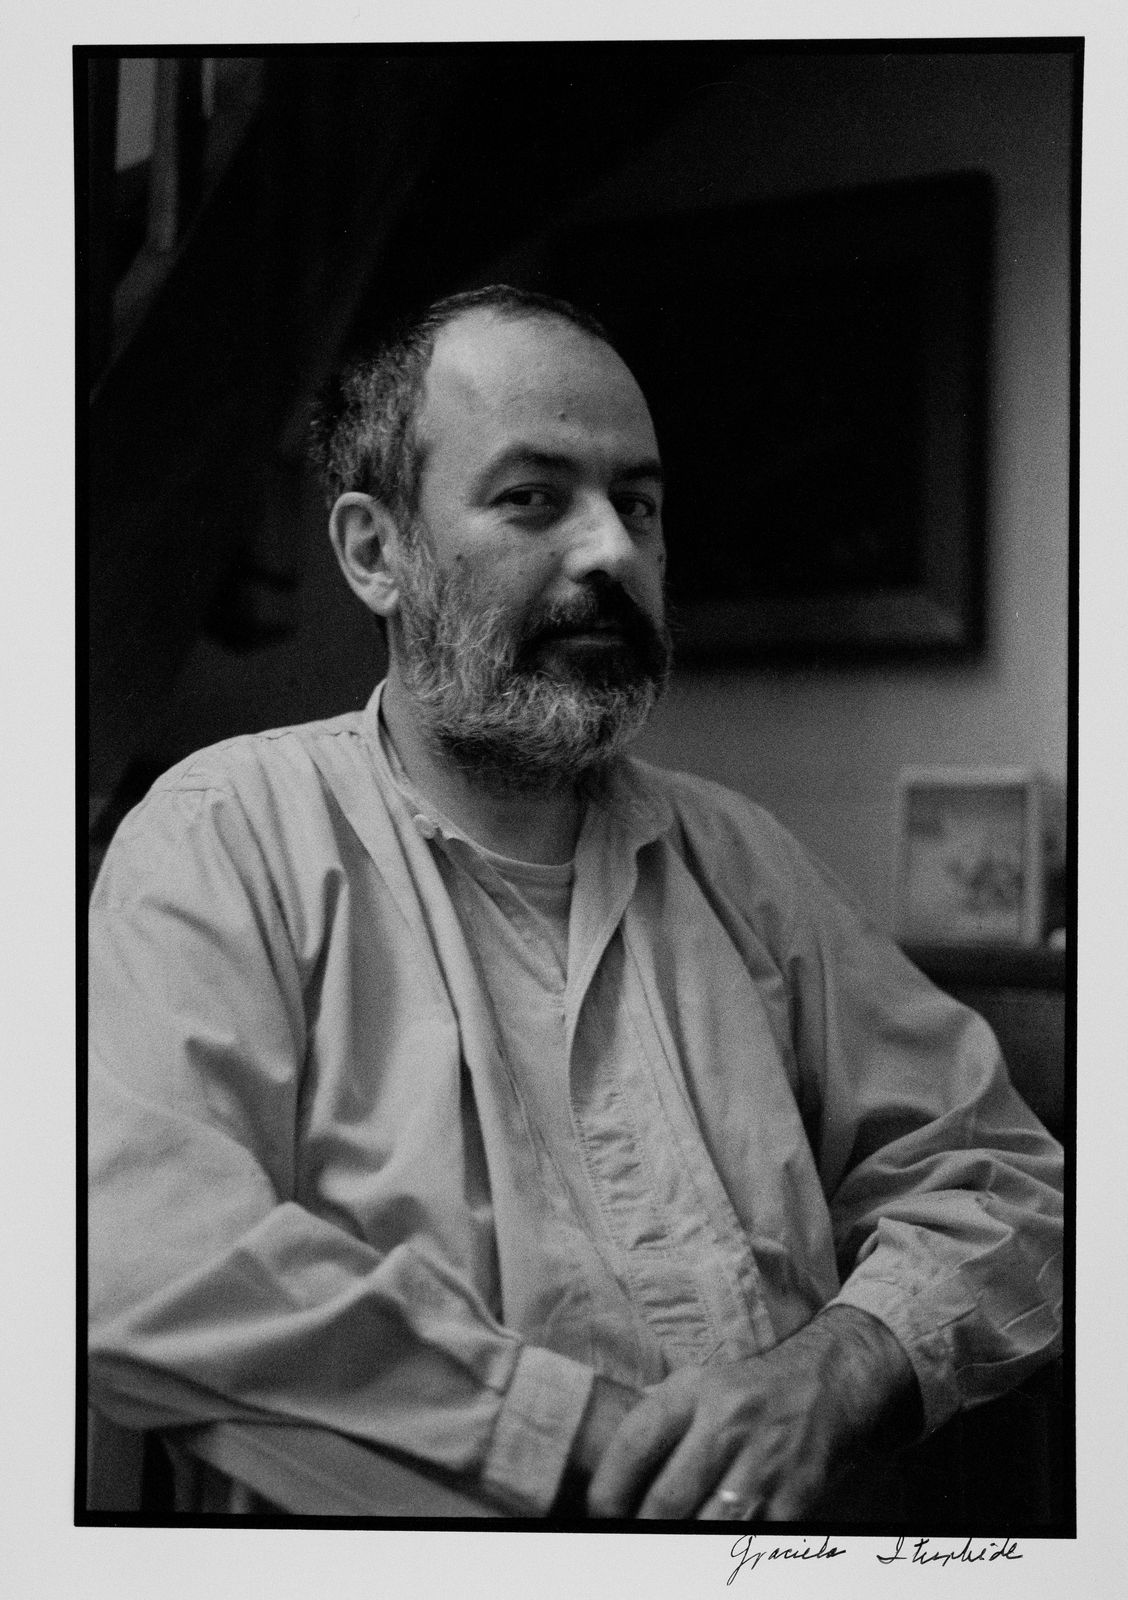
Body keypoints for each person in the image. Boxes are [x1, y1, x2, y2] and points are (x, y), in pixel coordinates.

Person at [88, 285, 1063, 1521]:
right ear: (372, 551)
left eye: (638, 506)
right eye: (534, 498)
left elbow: (1004, 1177)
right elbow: (137, 1258)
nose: (613, 553)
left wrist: (843, 1366)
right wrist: (592, 1442)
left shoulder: (743, 861)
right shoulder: (225, 836)